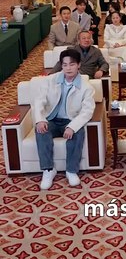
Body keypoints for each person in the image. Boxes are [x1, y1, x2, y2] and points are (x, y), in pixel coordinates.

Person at [34, 48, 95, 190]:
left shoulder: (86, 87)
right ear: (61, 65)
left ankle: (71, 170)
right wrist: (40, 119)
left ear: (79, 65)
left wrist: (72, 127)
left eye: (72, 64)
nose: (68, 68)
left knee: (78, 133)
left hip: (70, 120)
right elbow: (39, 101)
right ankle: (48, 170)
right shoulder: (50, 80)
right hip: (52, 119)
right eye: (65, 65)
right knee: (41, 131)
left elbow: (87, 111)